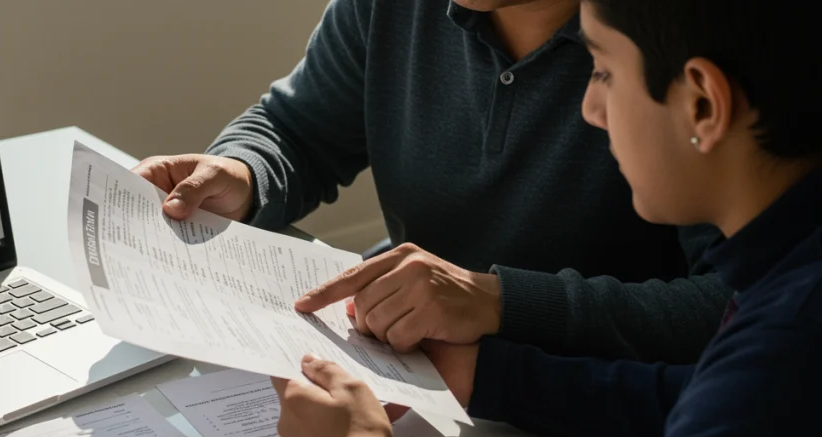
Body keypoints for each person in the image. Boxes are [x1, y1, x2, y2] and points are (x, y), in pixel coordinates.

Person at [270, 0, 822, 437]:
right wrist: (487, 376)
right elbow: (700, 396)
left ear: (703, 103)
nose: (590, 109)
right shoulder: (783, 274)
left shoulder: (792, 347)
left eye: (604, 72)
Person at [135, 0, 730, 364]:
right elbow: (298, 128)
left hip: (578, 394)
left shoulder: (676, 38)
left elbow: (742, 306)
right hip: (402, 358)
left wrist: (502, 303)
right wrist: (245, 172)